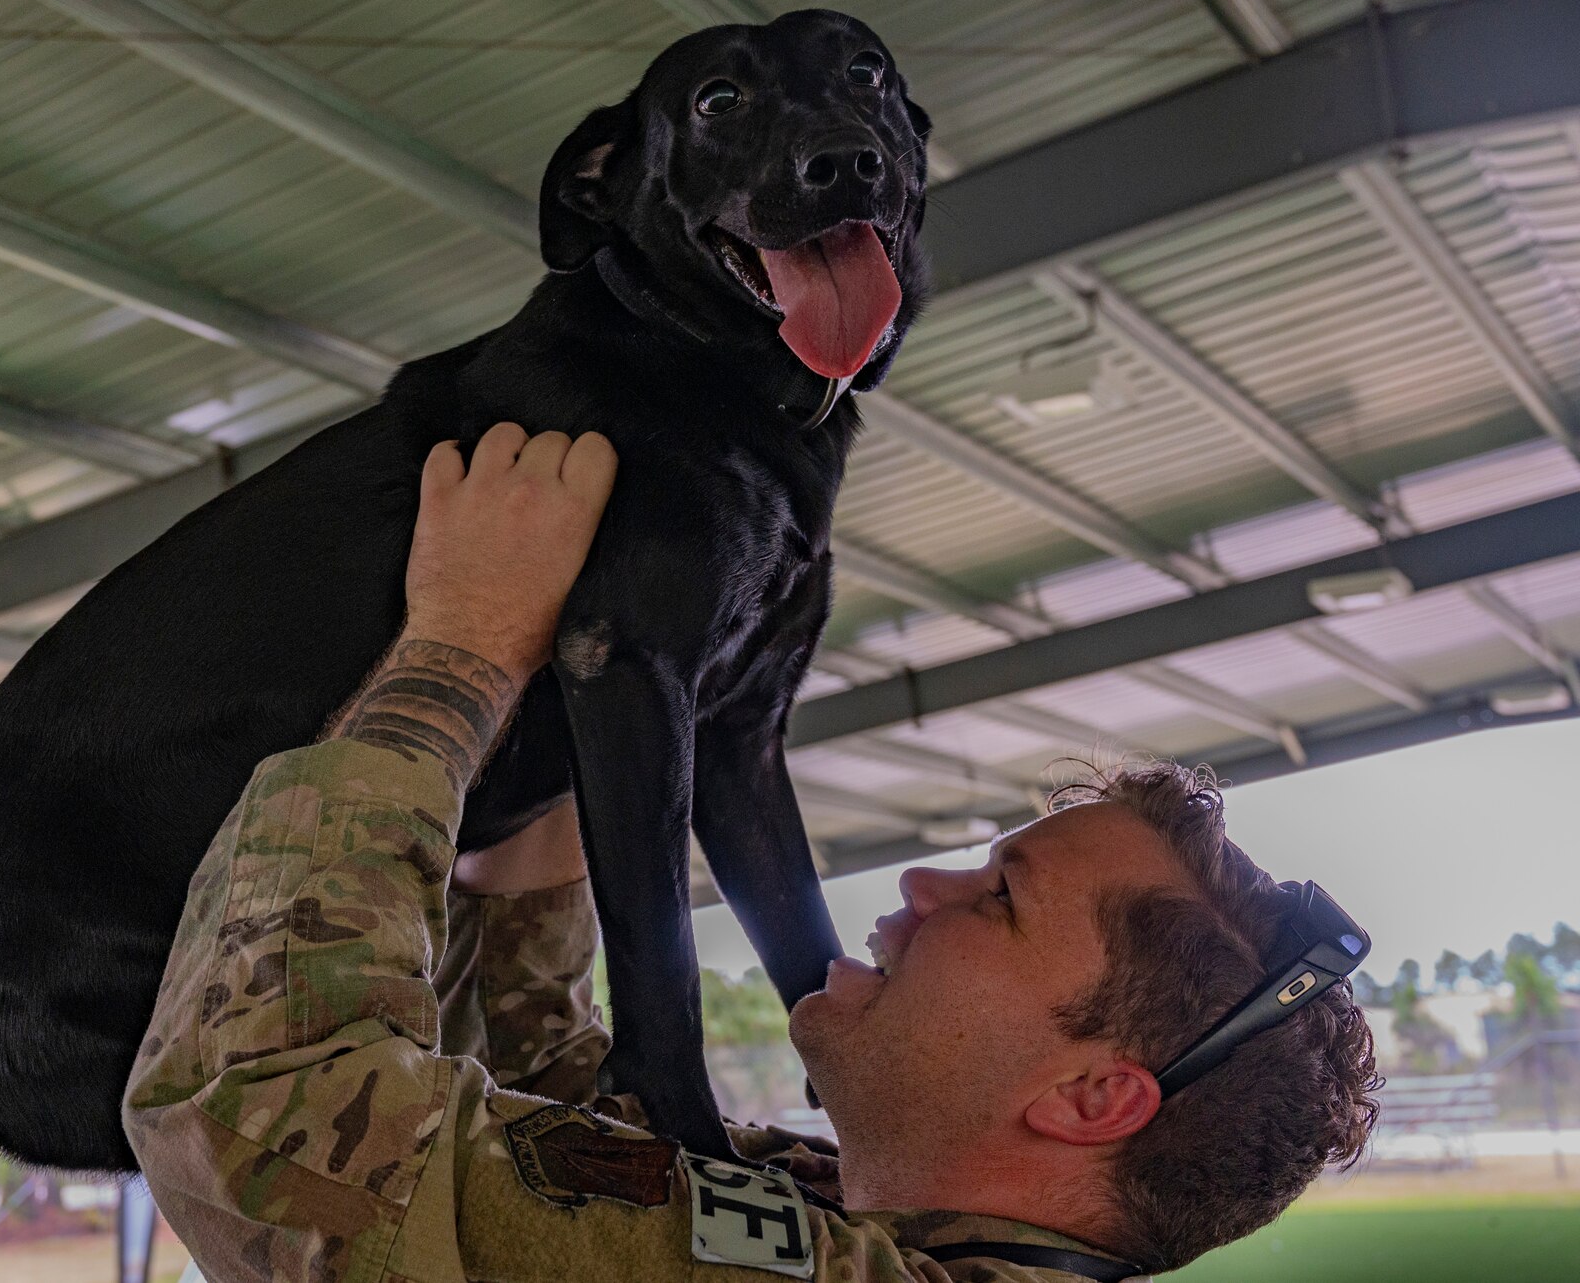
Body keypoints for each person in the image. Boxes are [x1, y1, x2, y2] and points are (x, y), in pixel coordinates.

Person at [122, 424, 1380, 1282]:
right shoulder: (851, 1217)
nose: (918, 888)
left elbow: (262, 1106)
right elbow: (564, 1118)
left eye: (998, 901)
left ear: (1091, 1096)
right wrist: (577, 737)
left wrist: (460, 650)